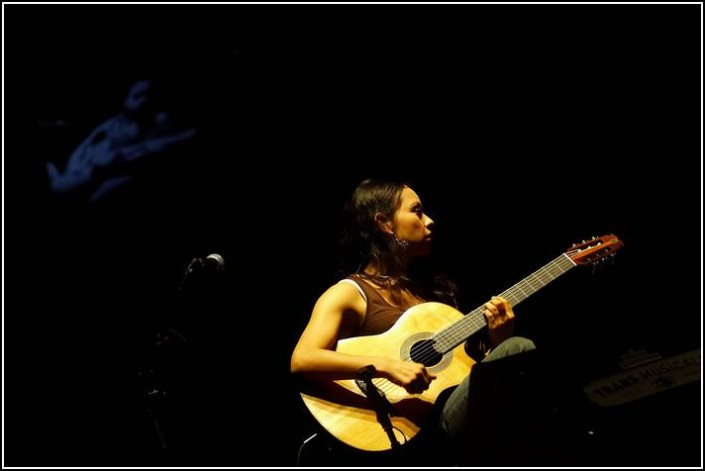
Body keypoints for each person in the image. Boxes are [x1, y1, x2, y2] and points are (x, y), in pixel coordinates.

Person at [290, 178, 537, 466]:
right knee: (521, 348)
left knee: (515, 351)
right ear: (385, 223)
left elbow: (464, 375)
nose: (429, 221)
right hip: (410, 426)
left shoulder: (432, 296)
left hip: (454, 416)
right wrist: (388, 366)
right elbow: (303, 359)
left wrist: (498, 340)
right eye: (417, 211)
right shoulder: (350, 293)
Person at [46, 79, 197, 203]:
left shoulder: (153, 124)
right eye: (137, 96)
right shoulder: (112, 123)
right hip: (76, 175)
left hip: (90, 175)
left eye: (148, 96)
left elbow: (145, 149)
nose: (144, 100)